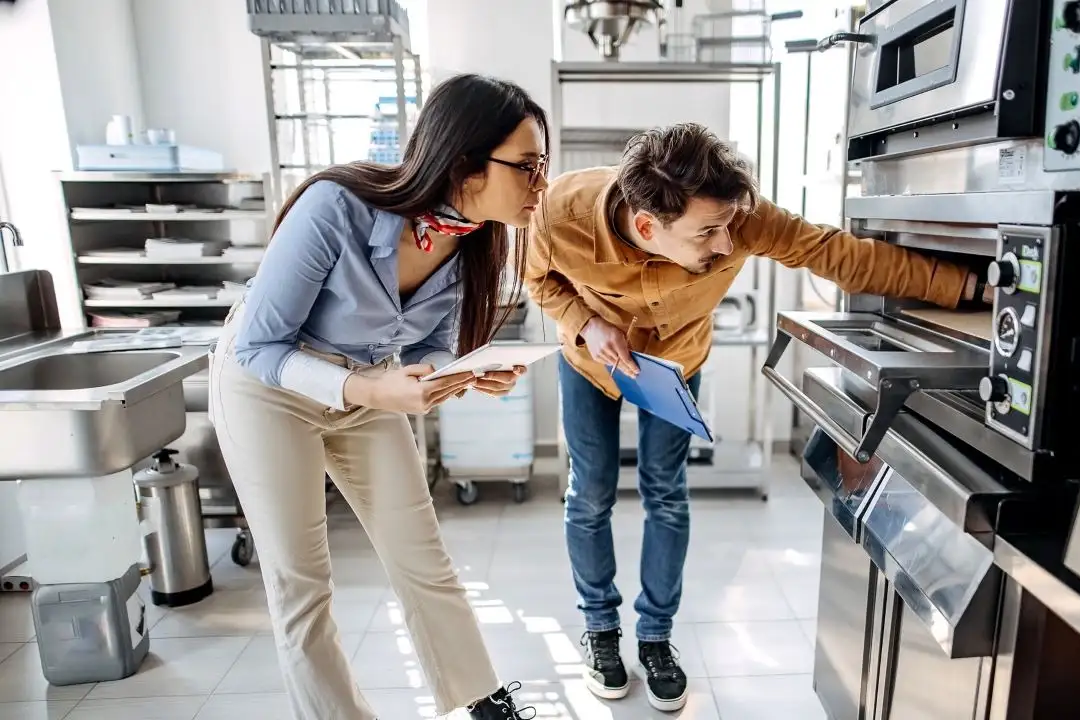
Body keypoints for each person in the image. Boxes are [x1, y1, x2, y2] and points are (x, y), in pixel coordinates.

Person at [524, 123, 993, 712]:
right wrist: (585, 323)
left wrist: (971, 285)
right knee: (588, 494)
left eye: (728, 228)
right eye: (708, 233)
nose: (726, 246)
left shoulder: (739, 218)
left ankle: (655, 639)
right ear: (647, 226)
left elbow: (837, 253)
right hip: (591, 362)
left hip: (674, 363)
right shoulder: (557, 214)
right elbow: (536, 277)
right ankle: (599, 631)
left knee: (665, 493)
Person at [209, 74, 548, 720]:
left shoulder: (473, 240)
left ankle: (484, 703)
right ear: (464, 163)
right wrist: (367, 387)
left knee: (423, 555)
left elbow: (429, 351)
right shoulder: (335, 206)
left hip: (368, 386)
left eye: (543, 165)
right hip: (268, 388)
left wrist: (466, 374)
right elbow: (260, 347)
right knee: (303, 586)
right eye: (527, 166)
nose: (541, 183)